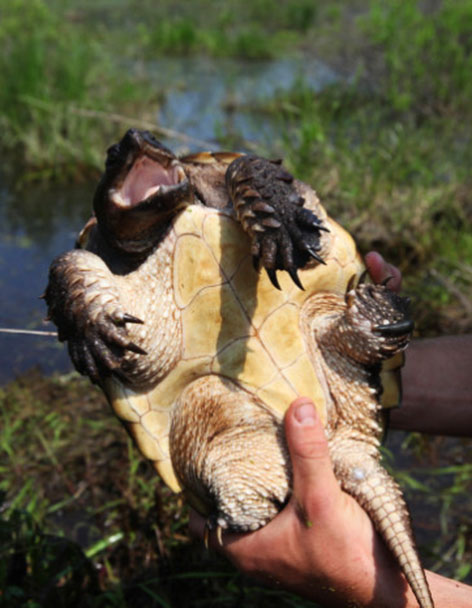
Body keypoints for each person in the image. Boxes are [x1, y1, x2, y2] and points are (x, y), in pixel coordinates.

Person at [190, 252, 472, 607]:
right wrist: (354, 370)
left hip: (228, 430)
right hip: (320, 335)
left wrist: (368, 581)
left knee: (245, 507)